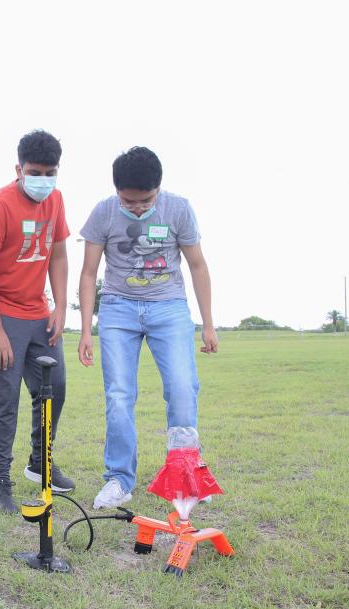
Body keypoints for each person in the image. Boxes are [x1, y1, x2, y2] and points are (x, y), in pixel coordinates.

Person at [77, 146, 218, 510]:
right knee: (120, 395)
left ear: (159, 189)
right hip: (118, 308)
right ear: (117, 191)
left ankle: (184, 476)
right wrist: (86, 330)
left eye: (146, 200)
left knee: (182, 388)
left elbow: (198, 266)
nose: (138, 207)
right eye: (129, 201)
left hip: (168, 307)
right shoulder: (103, 213)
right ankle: (119, 480)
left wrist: (208, 325)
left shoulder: (179, 209)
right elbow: (89, 273)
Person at [0, 130, 75, 514]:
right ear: (19, 169)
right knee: (4, 396)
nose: (43, 179)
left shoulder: (56, 199)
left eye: (50, 172)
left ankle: (39, 462)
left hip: (36, 310)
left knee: (54, 387)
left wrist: (60, 307)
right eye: (34, 172)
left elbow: (58, 255)